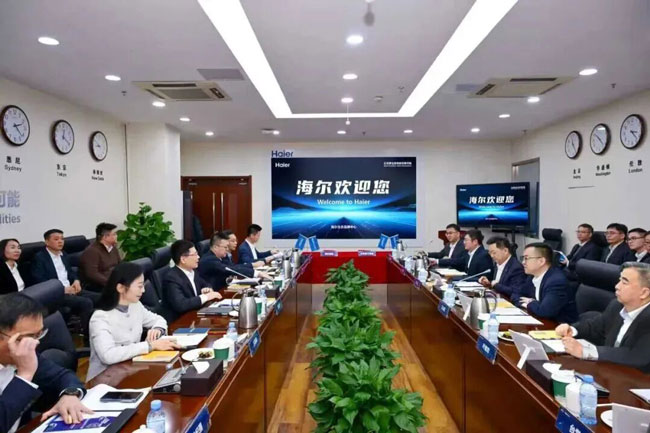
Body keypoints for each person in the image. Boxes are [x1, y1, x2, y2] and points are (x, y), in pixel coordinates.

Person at [0, 293, 91, 433]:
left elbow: (62, 375)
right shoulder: (24, 359)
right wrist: (25, 375)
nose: (35, 343)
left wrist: (70, 395)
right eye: (28, 337)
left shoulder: (25, 353)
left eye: (39, 335)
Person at [88, 262, 178, 381]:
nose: (143, 290)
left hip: (132, 369)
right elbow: (108, 355)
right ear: (120, 288)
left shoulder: (135, 305)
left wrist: (157, 329)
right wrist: (149, 346)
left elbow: (158, 319)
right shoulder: (100, 318)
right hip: (106, 379)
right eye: (139, 286)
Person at [556, 262, 650, 373]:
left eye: (624, 282)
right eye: (619, 280)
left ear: (644, 293)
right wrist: (572, 330)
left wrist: (586, 351)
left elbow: (638, 356)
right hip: (610, 371)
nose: (617, 286)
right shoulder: (616, 305)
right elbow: (595, 327)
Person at [31, 229, 98, 344]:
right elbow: (40, 280)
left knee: (100, 297)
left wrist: (76, 281)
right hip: (55, 294)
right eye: (56, 239)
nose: (60, 241)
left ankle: (99, 330)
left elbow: (70, 272)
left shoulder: (64, 255)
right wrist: (61, 290)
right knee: (86, 303)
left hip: (71, 289)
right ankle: (88, 338)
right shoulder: (40, 258)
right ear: (47, 242)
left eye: (62, 239)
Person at [512, 242, 578, 323]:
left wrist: (530, 302)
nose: (523, 262)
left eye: (526, 258)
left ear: (541, 261)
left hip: (559, 326)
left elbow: (545, 311)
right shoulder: (532, 276)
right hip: (540, 321)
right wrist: (530, 304)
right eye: (523, 258)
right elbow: (515, 294)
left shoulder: (556, 281)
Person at [162, 240, 222, 322]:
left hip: (194, 317)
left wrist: (207, 289)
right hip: (179, 322)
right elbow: (181, 304)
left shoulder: (193, 271)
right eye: (195, 254)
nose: (198, 257)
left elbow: (205, 283)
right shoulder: (171, 278)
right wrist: (206, 297)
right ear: (183, 259)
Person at [198, 232, 271, 291]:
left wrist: (253, 268)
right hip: (215, 293)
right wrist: (256, 273)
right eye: (225, 247)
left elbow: (234, 266)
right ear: (215, 247)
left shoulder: (221, 257)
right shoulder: (210, 260)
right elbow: (230, 269)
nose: (227, 249)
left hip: (223, 288)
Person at [79, 223, 122, 292]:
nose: (116, 236)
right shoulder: (91, 251)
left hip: (115, 281)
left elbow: (120, 265)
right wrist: (112, 283)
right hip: (99, 286)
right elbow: (92, 274)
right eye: (114, 234)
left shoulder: (113, 248)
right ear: (105, 237)